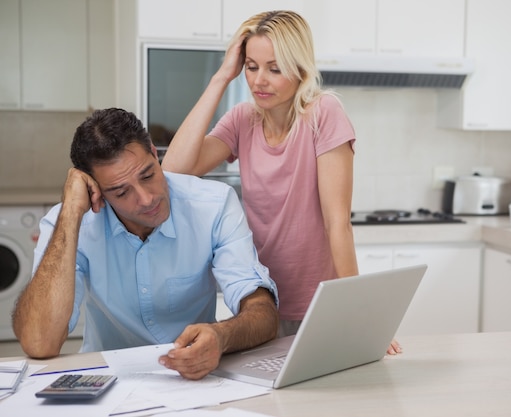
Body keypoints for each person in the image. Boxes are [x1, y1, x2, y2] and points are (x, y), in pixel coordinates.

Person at [161, 10, 400, 354]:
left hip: (317, 305)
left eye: (274, 69)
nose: (259, 81)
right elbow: (175, 170)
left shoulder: (323, 114)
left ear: (301, 69)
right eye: (251, 66)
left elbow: (338, 225)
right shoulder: (242, 120)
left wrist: (358, 313)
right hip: (259, 308)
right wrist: (221, 78)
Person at [11, 108, 279, 380]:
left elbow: (263, 314)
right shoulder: (68, 223)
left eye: (148, 175)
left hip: (196, 379)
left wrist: (222, 336)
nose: (146, 199)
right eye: (121, 191)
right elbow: (39, 343)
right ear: (96, 190)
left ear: (153, 152)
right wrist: (70, 213)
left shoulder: (214, 205)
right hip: (107, 380)